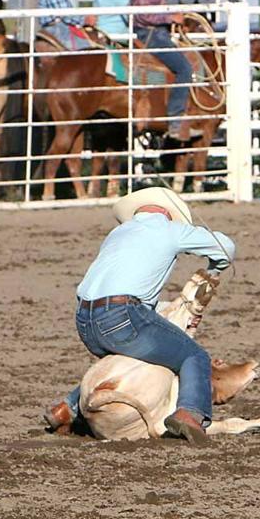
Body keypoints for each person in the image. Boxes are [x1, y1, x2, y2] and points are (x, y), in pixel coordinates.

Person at [44, 186, 235, 444]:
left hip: (85, 319)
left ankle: (68, 407)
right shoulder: (169, 229)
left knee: (131, 357)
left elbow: (130, 297)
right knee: (194, 355)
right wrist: (214, 270)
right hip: (122, 316)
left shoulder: (118, 233)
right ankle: (190, 413)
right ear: (169, 214)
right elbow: (225, 248)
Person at [132, 0, 192, 140]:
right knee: (184, 68)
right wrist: (170, 17)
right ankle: (175, 118)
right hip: (150, 33)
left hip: (155, 32)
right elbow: (142, 14)